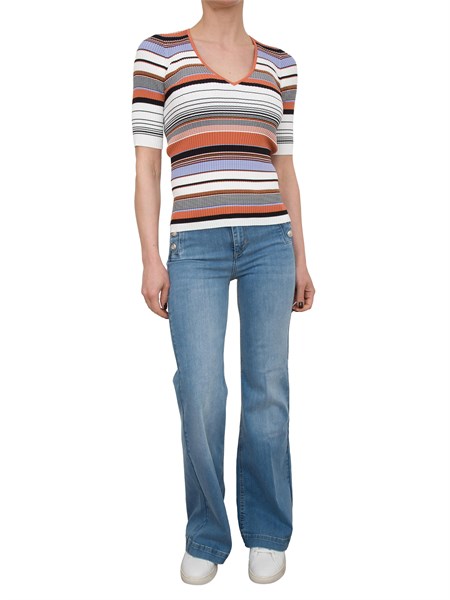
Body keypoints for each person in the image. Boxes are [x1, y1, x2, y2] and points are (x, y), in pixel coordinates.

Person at [131, 0, 315, 586]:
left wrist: (302, 258)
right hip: (195, 249)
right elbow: (146, 168)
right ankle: (207, 533)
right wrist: (150, 258)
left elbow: (285, 168)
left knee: (268, 389)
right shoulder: (158, 54)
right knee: (201, 391)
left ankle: (267, 531)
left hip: (269, 243)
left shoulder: (281, 65)